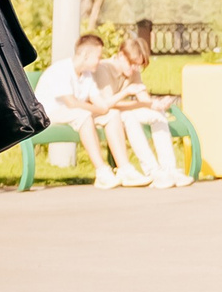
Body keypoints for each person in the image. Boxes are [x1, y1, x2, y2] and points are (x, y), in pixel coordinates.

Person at [97, 32, 191, 187]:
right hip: (106, 114)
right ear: (121, 56)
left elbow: (142, 97)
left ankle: (169, 169)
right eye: (132, 64)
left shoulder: (133, 70)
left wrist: (156, 104)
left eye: (138, 65)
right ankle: (153, 171)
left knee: (157, 115)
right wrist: (131, 96)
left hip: (122, 110)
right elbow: (107, 105)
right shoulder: (104, 69)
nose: (135, 69)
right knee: (130, 118)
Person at [34, 34, 128, 186]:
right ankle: (102, 171)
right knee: (83, 115)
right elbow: (71, 103)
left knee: (112, 114)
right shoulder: (61, 70)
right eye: (98, 56)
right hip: (48, 114)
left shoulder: (87, 75)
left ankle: (125, 169)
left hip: (71, 114)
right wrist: (99, 109)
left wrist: (105, 108)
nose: (100, 60)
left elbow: (99, 102)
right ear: (85, 55)